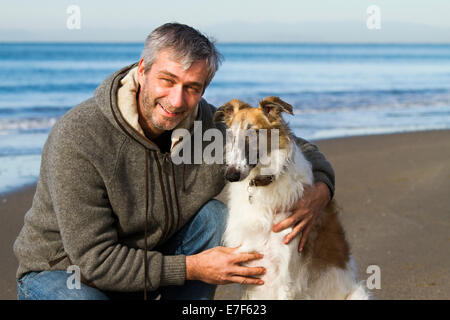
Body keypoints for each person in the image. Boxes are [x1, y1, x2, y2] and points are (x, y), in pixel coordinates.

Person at [13, 23, 335, 300]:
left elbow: (290, 143)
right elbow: (94, 261)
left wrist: (320, 190)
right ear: (142, 70)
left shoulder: (206, 125)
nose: (177, 100)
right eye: (167, 80)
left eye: (192, 88)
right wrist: (193, 268)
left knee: (214, 217)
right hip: (65, 273)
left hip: (149, 263)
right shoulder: (79, 138)